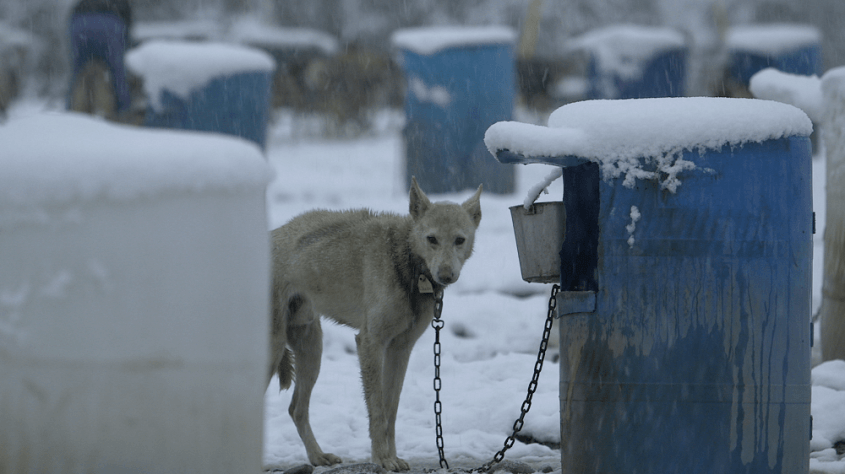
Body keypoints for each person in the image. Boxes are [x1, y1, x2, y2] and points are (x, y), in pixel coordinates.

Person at [67, 0, 132, 117]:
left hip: (79, 22)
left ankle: (70, 112)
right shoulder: (120, 5)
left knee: (78, 72)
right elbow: (127, 29)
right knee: (117, 74)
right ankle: (123, 114)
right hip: (111, 23)